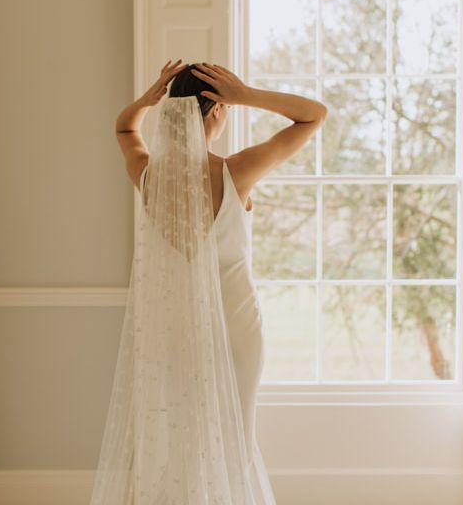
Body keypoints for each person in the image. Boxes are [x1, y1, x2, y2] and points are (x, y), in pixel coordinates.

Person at [89, 59, 327, 504]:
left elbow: (125, 130)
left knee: (180, 441)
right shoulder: (238, 170)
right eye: (227, 106)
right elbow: (314, 114)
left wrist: (147, 99)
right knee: (235, 442)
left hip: (174, 329)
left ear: (170, 109)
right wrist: (247, 95)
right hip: (237, 332)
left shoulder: (147, 174)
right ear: (217, 110)